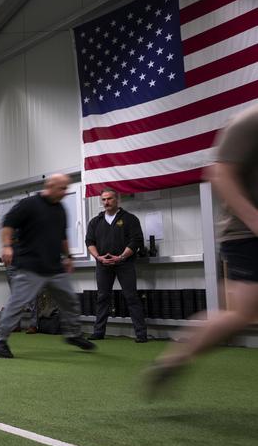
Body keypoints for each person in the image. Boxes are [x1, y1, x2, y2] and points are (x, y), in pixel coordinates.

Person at [146, 105, 258, 394]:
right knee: (240, 314)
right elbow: (220, 173)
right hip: (245, 234)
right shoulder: (249, 121)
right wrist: (254, 220)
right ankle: (176, 358)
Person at [0, 174, 96, 358]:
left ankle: (73, 334)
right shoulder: (29, 204)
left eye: (66, 189)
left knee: (69, 300)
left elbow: (62, 237)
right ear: (51, 186)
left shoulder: (60, 209)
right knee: (17, 304)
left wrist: (69, 256)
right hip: (30, 267)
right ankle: (0, 340)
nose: (65, 192)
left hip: (54, 268)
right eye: (62, 188)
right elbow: (7, 224)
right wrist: (6, 246)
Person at [85, 188, 147, 342]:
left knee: (131, 296)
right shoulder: (95, 222)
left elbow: (136, 241)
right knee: (102, 297)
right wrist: (99, 257)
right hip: (103, 265)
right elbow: (89, 242)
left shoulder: (130, 219)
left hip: (124, 264)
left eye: (110, 199)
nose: (106, 202)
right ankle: (99, 332)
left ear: (117, 199)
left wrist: (120, 257)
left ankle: (141, 334)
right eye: (104, 199)